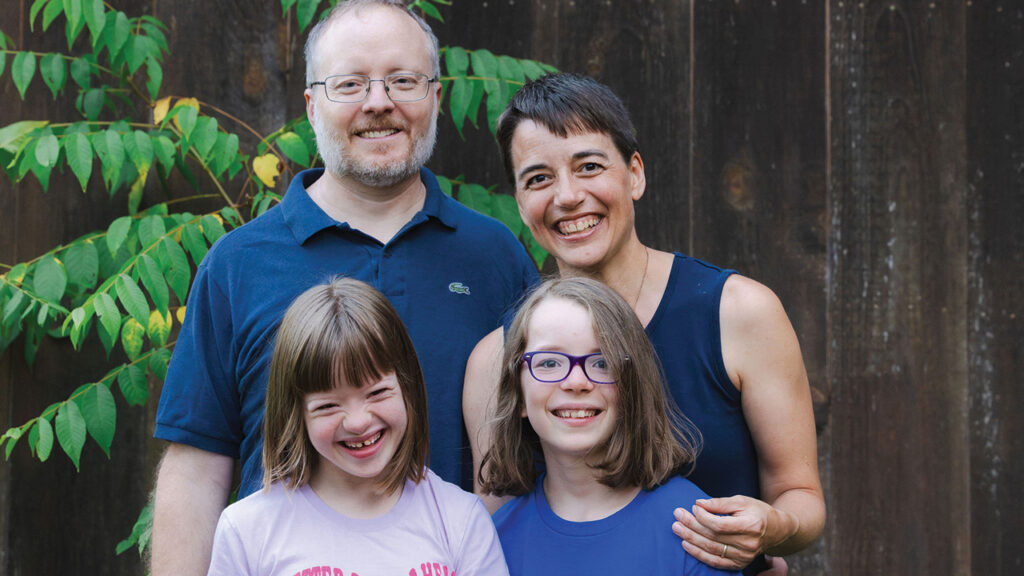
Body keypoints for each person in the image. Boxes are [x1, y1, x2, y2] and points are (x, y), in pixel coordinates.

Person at [152, 2, 537, 574]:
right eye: (350, 83)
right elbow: (195, 463)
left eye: (402, 80)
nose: (378, 102)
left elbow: (556, 428)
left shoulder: (493, 254)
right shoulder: (238, 264)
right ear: (313, 106)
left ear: (433, 96)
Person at [463, 73, 824, 575]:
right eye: (538, 178)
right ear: (521, 203)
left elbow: (801, 495)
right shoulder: (496, 359)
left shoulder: (738, 313)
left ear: (634, 173)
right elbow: (497, 537)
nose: (567, 196)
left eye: (589, 166)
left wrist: (770, 527)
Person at [206, 278, 508, 575]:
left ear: (406, 386)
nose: (358, 422)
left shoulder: (460, 519)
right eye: (327, 406)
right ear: (296, 413)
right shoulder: (247, 530)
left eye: (377, 393)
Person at [480, 277, 736, 576]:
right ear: (518, 394)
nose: (576, 382)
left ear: (632, 387)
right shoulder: (492, 541)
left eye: (603, 362)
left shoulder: (695, 530)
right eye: (549, 363)